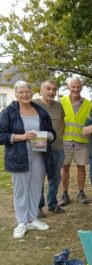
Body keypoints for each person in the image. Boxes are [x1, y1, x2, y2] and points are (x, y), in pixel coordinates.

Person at [0, 81, 56, 238]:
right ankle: (21, 222)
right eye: (21, 92)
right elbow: (1, 135)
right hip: (18, 157)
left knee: (35, 188)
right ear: (16, 94)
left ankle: (32, 219)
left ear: (32, 93)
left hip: (39, 156)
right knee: (20, 191)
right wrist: (21, 136)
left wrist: (46, 136)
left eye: (27, 92)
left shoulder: (40, 111)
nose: (24, 95)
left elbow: (52, 133)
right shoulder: (8, 112)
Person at [34, 80, 66, 216]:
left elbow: (62, 124)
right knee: (39, 177)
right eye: (48, 89)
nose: (51, 92)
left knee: (55, 177)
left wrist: (57, 137)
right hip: (39, 144)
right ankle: (38, 206)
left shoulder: (59, 106)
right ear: (41, 90)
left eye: (54, 89)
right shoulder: (34, 104)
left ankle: (52, 204)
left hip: (57, 146)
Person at [60, 77, 92, 206]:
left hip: (82, 141)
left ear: (81, 88)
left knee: (81, 167)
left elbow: (91, 122)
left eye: (77, 87)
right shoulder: (61, 102)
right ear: (69, 87)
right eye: (73, 87)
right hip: (66, 140)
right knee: (65, 167)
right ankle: (64, 193)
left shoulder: (88, 105)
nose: (75, 89)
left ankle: (80, 192)